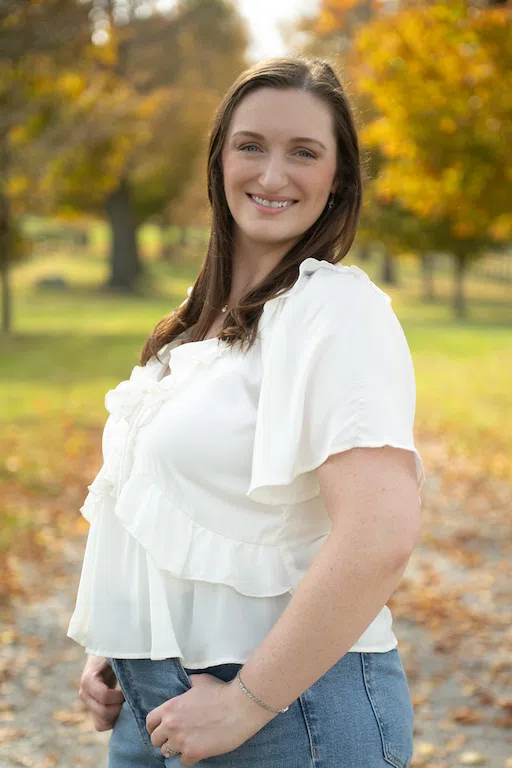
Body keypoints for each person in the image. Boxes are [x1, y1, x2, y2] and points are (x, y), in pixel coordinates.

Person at [68, 56, 425, 768]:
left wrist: (247, 704)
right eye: (251, 146)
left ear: (338, 180)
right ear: (219, 160)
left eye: (304, 153)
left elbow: (380, 533)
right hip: (156, 709)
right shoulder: (190, 329)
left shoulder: (334, 309)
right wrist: (121, 638)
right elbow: (160, 505)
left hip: (290, 714)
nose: (270, 175)